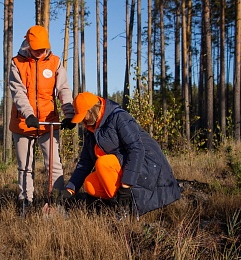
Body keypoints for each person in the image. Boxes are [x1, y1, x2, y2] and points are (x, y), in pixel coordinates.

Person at [60, 92, 181, 218]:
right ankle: (117, 205)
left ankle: (126, 209)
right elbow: (85, 162)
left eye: (84, 116)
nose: (82, 121)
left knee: (103, 163)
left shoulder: (119, 117)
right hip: (125, 166)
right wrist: (70, 189)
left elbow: (137, 150)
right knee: (90, 183)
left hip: (146, 166)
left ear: (92, 111)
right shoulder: (91, 129)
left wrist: (126, 186)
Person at [9, 25, 76, 215]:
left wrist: (69, 114)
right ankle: (25, 203)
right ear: (28, 44)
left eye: (43, 48)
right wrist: (28, 114)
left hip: (49, 123)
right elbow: (18, 92)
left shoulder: (54, 62)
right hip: (23, 122)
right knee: (25, 166)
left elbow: (63, 89)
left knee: (54, 165)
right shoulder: (17, 63)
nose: (40, 52)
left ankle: (55, 202)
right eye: (36, 48)